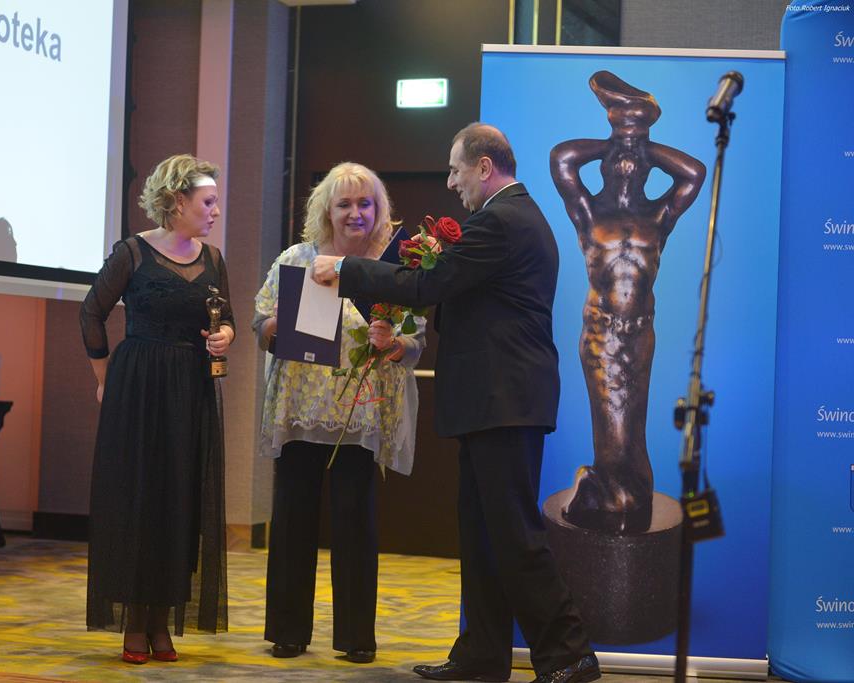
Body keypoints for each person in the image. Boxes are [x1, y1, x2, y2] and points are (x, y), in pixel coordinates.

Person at [312, 125, 600, 683]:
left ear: (484, 167)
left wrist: (345, 269)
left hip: (504, 401)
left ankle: (570, 655)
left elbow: (430, 285)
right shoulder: (513, 217)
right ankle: (482, 656)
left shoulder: (501, 219)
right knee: (484, 534)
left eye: (454, 169)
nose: (450, 182)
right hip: (495, 401)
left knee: (513, 535)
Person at [254, 161, 426, 665]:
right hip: (301, 412)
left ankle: (356, 638)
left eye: (365, 203)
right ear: (325, 210)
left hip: (359, 416)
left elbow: (415, 343)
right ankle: (288, 632)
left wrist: (393, 344)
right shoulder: (298, 258)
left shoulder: (394, 267)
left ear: (379, 209)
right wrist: (275, 325)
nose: (355, 213)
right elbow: (260, 323)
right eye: (344, 204)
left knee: (356, 526)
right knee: (292, 522)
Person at [80, 153, 234, 664]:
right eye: (208, 202)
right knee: (139, 499)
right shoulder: (133, 252)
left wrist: (225, 337)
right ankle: (134, 622)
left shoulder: (214, 260)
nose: (215, 211)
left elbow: (227, 320)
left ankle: (163, 621)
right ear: (177, 201)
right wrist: (105, 379)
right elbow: (91, 313)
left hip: (190, 389)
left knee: (179, 500)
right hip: (138, 387)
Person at [550, 70, 706, 534]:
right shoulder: (588, 212)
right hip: (601, 333)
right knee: (612, 428)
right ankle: (606, 485)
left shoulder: (657, 215)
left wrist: (642, 145)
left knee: (633, 430)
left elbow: (694, 172)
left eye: (636, 160)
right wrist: (615, 141)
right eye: (619, 158)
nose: (626, 165)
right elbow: (561, 158)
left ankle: (616, 487)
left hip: (639, 334)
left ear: (647, 167)